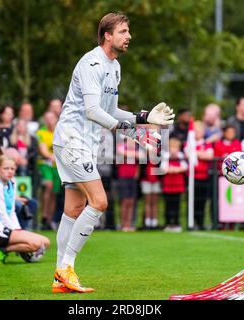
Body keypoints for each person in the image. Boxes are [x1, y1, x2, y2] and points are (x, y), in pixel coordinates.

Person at [51, 12, 174, 293]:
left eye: (128, 31)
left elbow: (110, 112)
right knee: (100, 201)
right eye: (123, 31)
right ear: (107, 35)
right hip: (72, 140)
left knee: (74, 208)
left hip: (83, 142)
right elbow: (93, 111)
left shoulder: (115, 66)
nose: (128, 36)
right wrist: (130, 130)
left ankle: (60, 277)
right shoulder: (92, 63)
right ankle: (65, 267)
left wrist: (142, 122)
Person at [0, 155, 50, 263]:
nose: (10, 171)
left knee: (46, 242)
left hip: (6, 228)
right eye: (6, 168)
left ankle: (5, 249)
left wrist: (18, 230)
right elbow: (2, 214)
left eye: (12, 169)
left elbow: (11, 212)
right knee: (36, 244)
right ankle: (1, 249)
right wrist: (16, 232)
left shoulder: (11, 183)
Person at [37, 111, 60, 230]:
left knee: (54, 194)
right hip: (45, 165)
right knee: (48, 186)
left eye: (52, 118)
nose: (50, 121)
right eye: (48, 118)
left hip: (58, 167)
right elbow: (43, 149)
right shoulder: (41, 132)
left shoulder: (61, 132)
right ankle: (44, 214)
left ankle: (49, 220)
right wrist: (51, 156)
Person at [161, 137, 187, 232]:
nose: (173, 149)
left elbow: (184, 167)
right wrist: (172, 169)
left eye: (175, 147)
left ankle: (176, 223)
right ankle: (168, 224)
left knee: (177, 205)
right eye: (172, 147)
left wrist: (174, 169)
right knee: (168, 205)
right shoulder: (165, 156)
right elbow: (163, 168)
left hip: (178, 185)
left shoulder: (180, 156)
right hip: (168, 185)